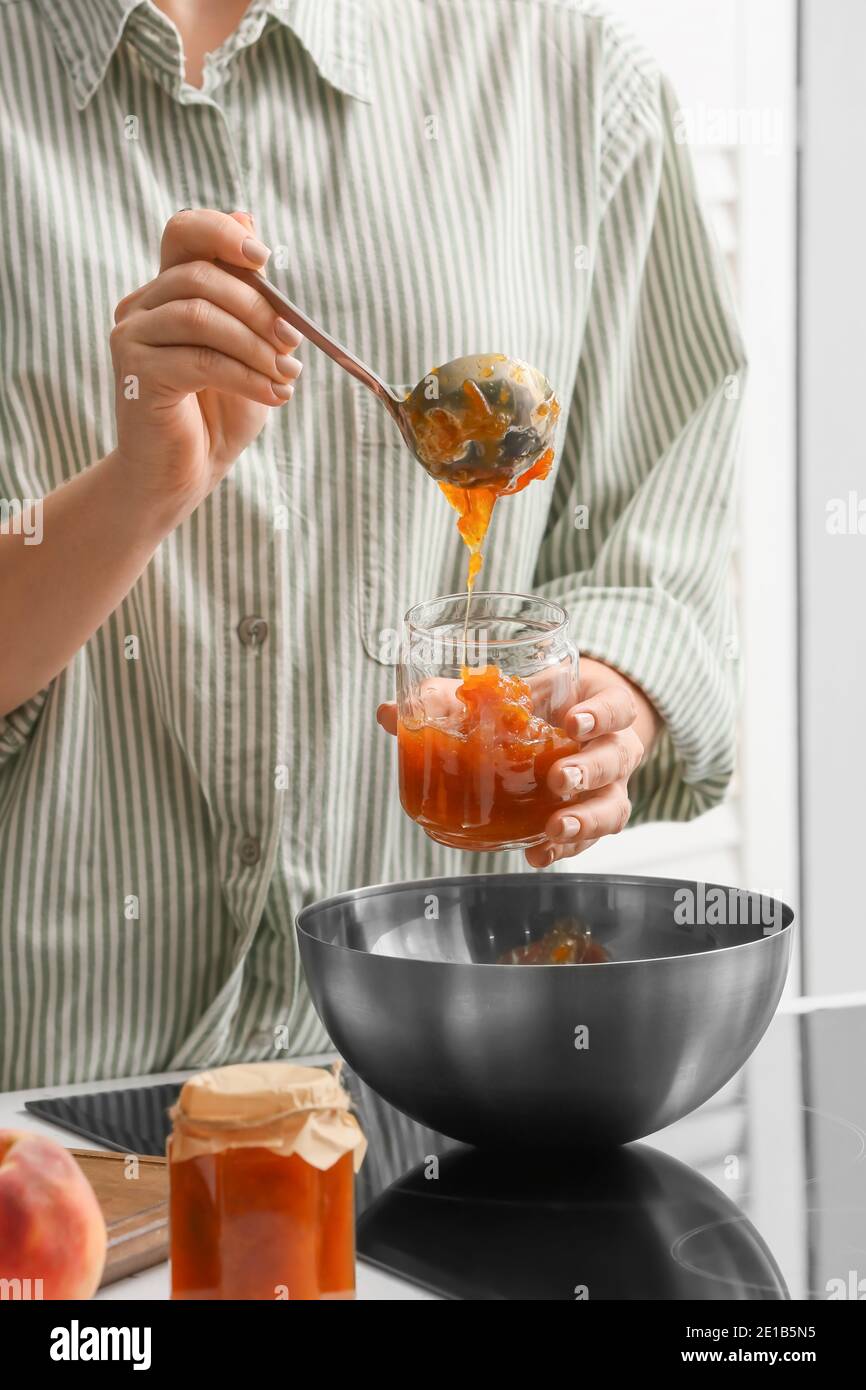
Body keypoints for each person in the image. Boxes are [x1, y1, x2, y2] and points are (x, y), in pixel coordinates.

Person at [0, 0, 744, 1090]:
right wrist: (135, 495)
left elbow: (660, 562)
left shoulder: (576, 83)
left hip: (442, 1091)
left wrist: (607, 704)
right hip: (38, 1116)